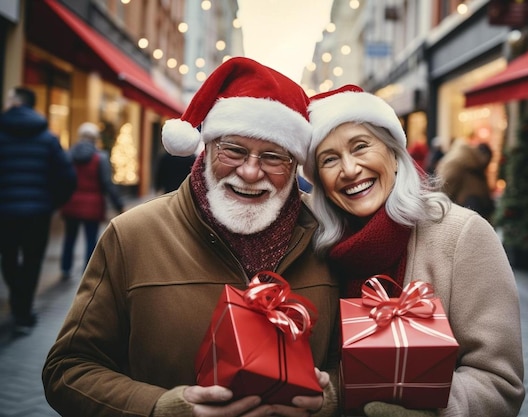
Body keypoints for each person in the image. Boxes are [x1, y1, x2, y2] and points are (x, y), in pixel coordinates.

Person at [42, 57, 340, 417]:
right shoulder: (133, 235)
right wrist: (161, 408)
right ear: (208, 146)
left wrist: (332, 398)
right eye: (233, 149)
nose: (249, 171)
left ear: (295, 166)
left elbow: (359, 364)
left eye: (273, 156)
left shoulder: (332, 237)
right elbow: (68, 370)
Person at [303, 85, 525, 417]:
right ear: (319, 179)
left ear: (394, 154)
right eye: (329, 159)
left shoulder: (462, 235)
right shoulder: (317, 247)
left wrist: (431, 408)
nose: (348, 169)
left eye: (360, 146)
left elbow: (500, 381)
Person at [0, 86, 77, 335]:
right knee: (32, 262)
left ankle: (17, 303)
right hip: (38, 215)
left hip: (5, 213)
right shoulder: (48, 138)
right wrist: (51, 203)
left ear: (15, 104)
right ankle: (23, 312)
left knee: (8, 259)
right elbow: (68, 177)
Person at [59, 122, 125, 280]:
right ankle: (88, 272)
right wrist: (118, 203)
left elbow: (62, 179)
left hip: (71, 202)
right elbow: (107, 182)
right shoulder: (100, 157)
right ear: (95, 138)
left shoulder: (69, 155)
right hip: (93, 204)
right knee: (91, 239)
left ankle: (65, 268)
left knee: (69, 237)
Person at [436, 139, 495, 222]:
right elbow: (446, 186)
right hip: (466, 207)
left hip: (467, 207)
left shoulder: (473, 163)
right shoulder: (465, 162)